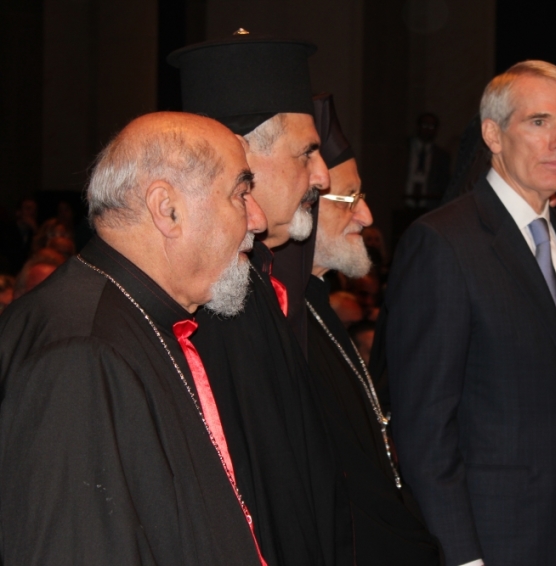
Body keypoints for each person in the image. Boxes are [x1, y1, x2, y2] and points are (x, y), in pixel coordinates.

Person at [382, 60, 556, 566]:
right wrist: (463, 557)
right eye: (539, 122)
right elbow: (425, 431)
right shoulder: (443, 242)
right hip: (496, 543)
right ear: (493, 135)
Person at [0, 111, 269, 564]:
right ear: (168, 209)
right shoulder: (82, 352)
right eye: (241, 193)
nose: (257, 220)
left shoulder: (134, 315)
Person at [169, 33, 352, 565]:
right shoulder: (202, 297)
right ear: (241, 155)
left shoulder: (255, 278)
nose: (321, 177)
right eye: (307, 154)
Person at [281, 92, 442, 565]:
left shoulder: (315, 302)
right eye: (350, 198)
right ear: (302, 205)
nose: (367, 216)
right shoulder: (279, 319)